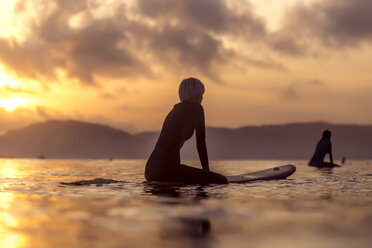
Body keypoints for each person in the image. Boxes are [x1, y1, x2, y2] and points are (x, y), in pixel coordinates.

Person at [145, 78, 228, 184]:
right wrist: (207, 175)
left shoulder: (175, 109)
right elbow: (201, 144)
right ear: (198, 95)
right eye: (201, 94)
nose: (202, 98)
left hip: (151, 170)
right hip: (167, 170)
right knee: (222, 181)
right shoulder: (197, 109)